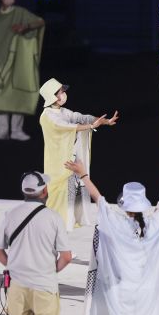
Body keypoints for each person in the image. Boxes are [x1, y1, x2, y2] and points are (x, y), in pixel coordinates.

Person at [65, 157, 159, 315]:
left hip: (121, 291)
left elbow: (99, 199)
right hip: (148, 292)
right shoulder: (155, 223)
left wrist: (83, 174)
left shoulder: (116, 223)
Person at [0, 171, 72, 315]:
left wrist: (14, 266)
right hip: (45, 286)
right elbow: (66, 257)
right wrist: (49, 271)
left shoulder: (10, 215)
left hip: (17, 287)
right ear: (44, 191)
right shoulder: (54, 218)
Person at [38, 78, 119, 231]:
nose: (63, 94)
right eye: (60, 92)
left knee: (72, 196)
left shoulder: (63, 112)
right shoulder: (47, 115)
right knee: (58, 200)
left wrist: (105, 121)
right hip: (58, 165)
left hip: (71, 161)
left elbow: (81, 117)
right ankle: (54, 233)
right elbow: (66, 126)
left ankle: (66, 232)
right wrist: (91, 126)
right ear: (52, 96)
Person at [0, 0, 45, 140]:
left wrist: (25, 27)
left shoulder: (20, 12)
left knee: (17, 95)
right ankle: (2, 131)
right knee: (1, 96)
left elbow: (40, 22)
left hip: (17, 61)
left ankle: (16, 131)